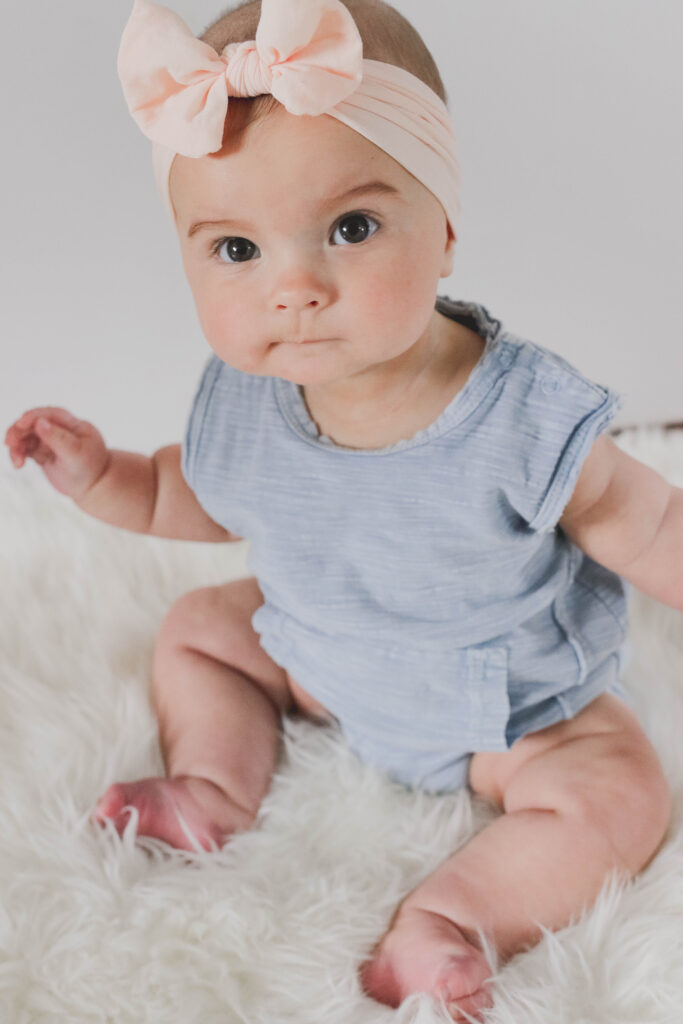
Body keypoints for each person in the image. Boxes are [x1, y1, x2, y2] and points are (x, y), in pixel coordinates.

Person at [5, 0, 680, 1019]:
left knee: (622, 790)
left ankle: (449, 919)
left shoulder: (520, 414)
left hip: (506, 709)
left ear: (443, 228)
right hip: (320, 663)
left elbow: (651, 524)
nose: (295, 287)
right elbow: (194, 492)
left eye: (349, 228)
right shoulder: (248, 399)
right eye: (236, 249)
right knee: (197, 629)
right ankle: (215, 789)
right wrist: (103, 476)